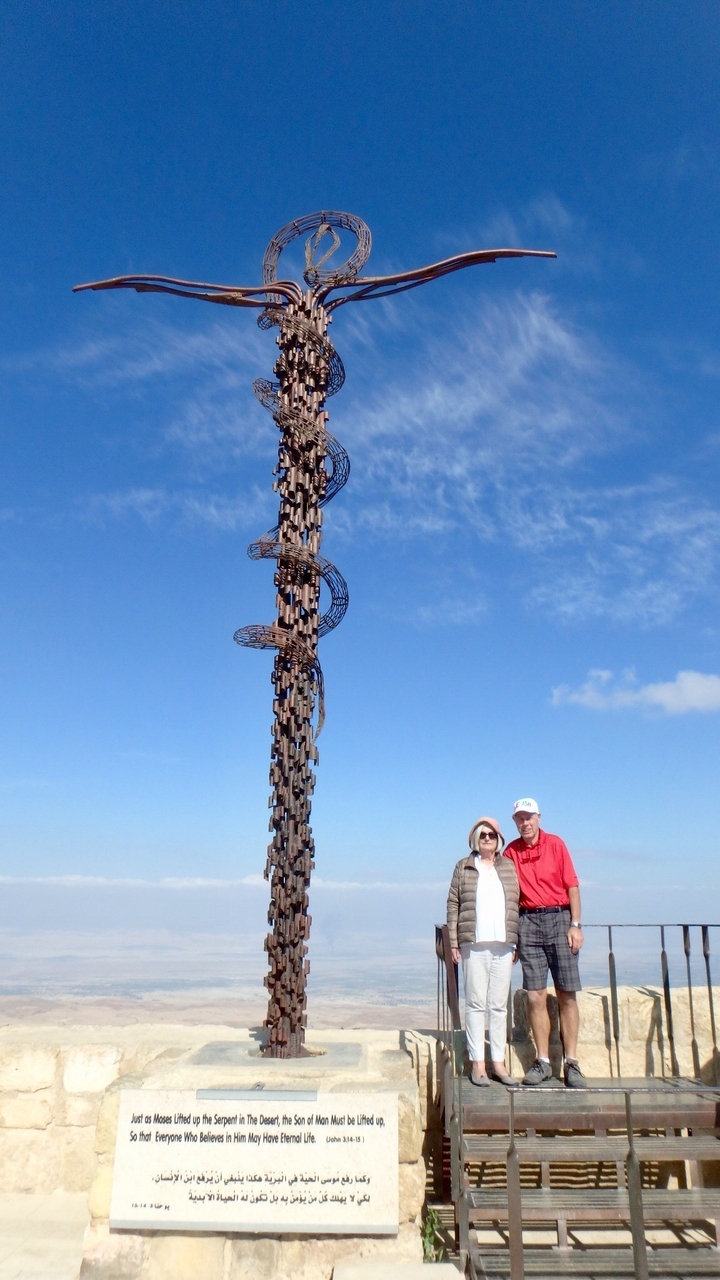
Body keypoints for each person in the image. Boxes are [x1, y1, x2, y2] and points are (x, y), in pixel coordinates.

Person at [503, 798, 585, 1088]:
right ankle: (543, 1061)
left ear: (538, 817)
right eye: (519, 819)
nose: (524, 823)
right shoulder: (510, 851)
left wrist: (575, 924)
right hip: (528, 923)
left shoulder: (556, 844)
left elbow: (572, 885)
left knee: (567, 993)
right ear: (515, 822)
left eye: (529, 817)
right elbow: (507, 895)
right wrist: (511, 936)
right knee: (535, 995)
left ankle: (572, 1063)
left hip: (559, 919)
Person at [446, 816, 520, 1087]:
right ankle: (478, 1064)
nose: (487, 838)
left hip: (503, 944)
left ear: (499, 838)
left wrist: (516, 941)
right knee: (476, 1005)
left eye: (491, 834)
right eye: (482, 834)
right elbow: (453, 903)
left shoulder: (509, 867)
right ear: (474, 839)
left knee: (499, 1006)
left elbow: (517, 903)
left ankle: (498, 1063)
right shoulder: (463, 867)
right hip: (473, 943)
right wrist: (454, 941)